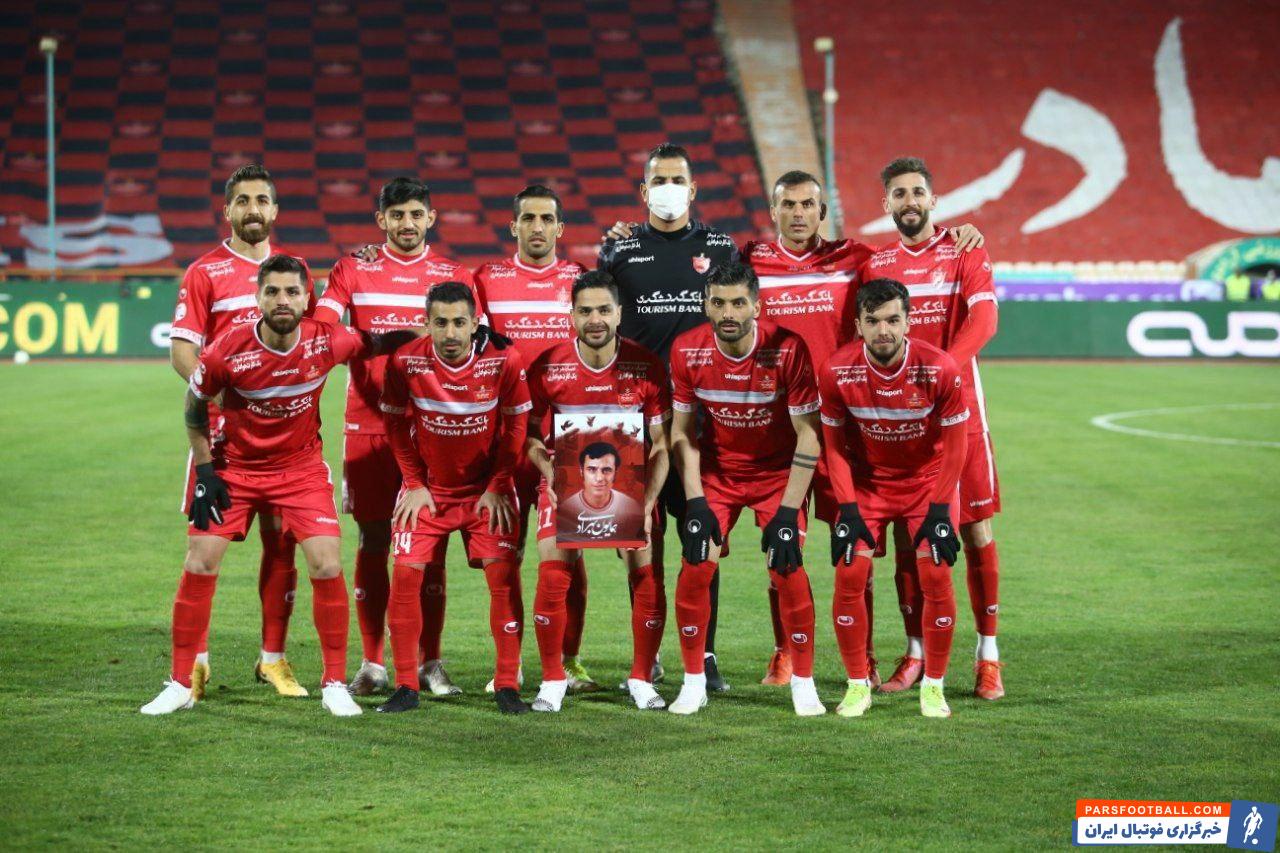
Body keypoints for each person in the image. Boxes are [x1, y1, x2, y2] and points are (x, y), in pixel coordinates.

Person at [141, 255, 414, 716]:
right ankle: (179, 683)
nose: (282, 300)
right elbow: (194, 407)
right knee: (200, 559)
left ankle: (333, 684)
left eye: (292, 292)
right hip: (235, 468)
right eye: (272, 292)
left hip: (300, 471)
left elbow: (381, 341)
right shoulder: (226, 350)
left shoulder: (328, 340)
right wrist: (205, 473)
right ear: (258, 298)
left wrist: (448, 336)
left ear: (308, 299)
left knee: (327, 562)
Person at [743, 169, 986, 686]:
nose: (798, 213)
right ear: (774, 210)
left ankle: (869, 660)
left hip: (842, 427)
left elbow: (911, 250)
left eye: (808, 204)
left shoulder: (857, 259)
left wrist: (957, 233)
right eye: (788, 204)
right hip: (779, 425)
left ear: (822, 211)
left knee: (854, 548)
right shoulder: (751, 260)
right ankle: (783, 649)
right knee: (780, 541)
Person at [315, 176, 480, 698]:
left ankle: (430, 662)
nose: (407, 223)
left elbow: (477, 343)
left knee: (431, 548)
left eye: (416, 214)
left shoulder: (454, 276)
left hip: (434, 429)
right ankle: (372, 663)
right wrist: (377, 340)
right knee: (372, 539)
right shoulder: (352, 268)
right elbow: (321, 330)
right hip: (367, 425)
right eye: (397, 215)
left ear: (431, 218)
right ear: (381, 220)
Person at [167, 164, 314, 700]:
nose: (253, 210)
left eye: (262, 200)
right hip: (222, 442)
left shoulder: (293, 270)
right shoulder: (204, 272)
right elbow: (182, 352)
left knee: (283, 547)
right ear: (227, 210)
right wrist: (225, 395)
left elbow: (313, 339)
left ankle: (272, 659)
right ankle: (196, 662)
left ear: (275, 210)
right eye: (243, 201)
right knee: (205, 552)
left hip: (285, 442)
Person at [598, 142, 739, 691]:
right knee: (641, 543)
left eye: (678, 179)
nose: (669, 189)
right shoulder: (619, 250)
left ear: (693, 188)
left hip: (702, 426)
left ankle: (705, 654)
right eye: (659, 180)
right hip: (635, 422)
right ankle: (649, 655)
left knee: (701, 540)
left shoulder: (721, 248)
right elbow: (598, 324)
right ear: (643, 191)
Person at [862, 158, 1004, 700]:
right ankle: (916, 652)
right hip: (900, 421)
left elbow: (984, 320)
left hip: (960, 414)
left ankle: (988, 655)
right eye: (898, 193)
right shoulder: (877, 264)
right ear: (887, 204)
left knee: (975, 529)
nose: (909, 201)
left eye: (917, 191)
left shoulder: (964, 249)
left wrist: (939, 370)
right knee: (908, 534)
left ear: (933, 199)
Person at [666, 262, 825, 717]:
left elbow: (809, 433)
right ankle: (693, 681)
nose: (728, 312)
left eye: (738, 303)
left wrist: (787, 512)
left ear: (756, 306)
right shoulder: (687, 350)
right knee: (696, 565)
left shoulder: (788, 349)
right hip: (719, 476)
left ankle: (804, 682)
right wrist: (696, 502)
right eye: (718, 302)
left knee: (787, 567)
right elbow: (682, 433)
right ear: (705, 305)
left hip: (777, 476)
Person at [376, 282, 533, 715]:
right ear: (426, 323)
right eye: (440, 322)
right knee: (404, 576)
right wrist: (414, 483)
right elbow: (394, 425)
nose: (450, 333)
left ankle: (507, 685)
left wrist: (499, 484)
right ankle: (406, 685)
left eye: (459, 322)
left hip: (487, 492)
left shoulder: (504, 359)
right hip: (428, 492)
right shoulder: (405, 361)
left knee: (503, 578)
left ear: (475, 323)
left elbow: (516, 428)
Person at [818, 278, 969, 718]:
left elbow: (956, 446)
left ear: (907, 322)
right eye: (873, 321)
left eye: (892, 320)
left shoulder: (939, 367)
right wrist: (847, 508)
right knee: (849, 573)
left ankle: (934, 686)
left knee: (936, 574)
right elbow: (833, 447)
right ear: (858, 325)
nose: (883, 330)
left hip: (927, 484)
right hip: (869, 487)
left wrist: (939, 509)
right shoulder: (837, 370)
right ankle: (856, 684)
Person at [525, 271, 671, 713]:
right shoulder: (548, 366)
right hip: (566, 478)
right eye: (585, 310)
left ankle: (641, 678)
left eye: (604, 310)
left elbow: (661, 444)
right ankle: (553, 679)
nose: (595, 319)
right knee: (554, 568)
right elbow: (529, 438)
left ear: (619, 314)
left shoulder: (645, 365)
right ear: (571, 315)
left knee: (646, 571)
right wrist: (549, 472)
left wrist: (648, 500)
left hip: (629, 481)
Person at [473, 184, 596, 692]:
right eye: (528, 218)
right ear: (514, 226)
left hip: (565, 437)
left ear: (561, 227)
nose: (538, 227)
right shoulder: (487, 279)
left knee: (569, 552)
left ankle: (569, 659)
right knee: (505, 556)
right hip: (504, 438)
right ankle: (511, 664)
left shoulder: (579, 278)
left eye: (547, 219)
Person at [556, 442, 645, 544]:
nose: (599, 478)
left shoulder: (631, 506)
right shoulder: (567, 508)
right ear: (581, 471)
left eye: (606, 470)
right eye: (591, 469)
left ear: (615, 473)